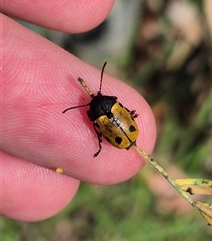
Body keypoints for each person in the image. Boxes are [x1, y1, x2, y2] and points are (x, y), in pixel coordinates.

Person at [1, 1, 156, 222]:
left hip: (126, 134)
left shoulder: (102, 114)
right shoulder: (109, 108)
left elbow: (102, 113)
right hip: (126, 134)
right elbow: (111, 105)